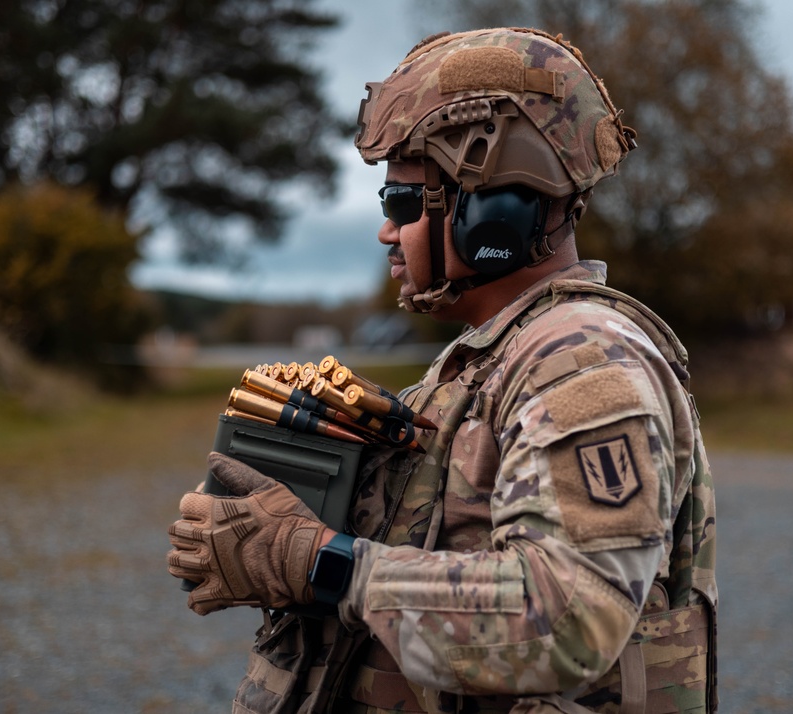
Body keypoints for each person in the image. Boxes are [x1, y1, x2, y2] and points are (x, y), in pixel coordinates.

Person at [167, 27, 717, 714]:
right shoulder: (491, 362)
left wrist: (322, 562)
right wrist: (310, 503)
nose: (386, 233)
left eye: (401, 204)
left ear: (495, 212)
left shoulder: (584, 362)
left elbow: (569, 618)